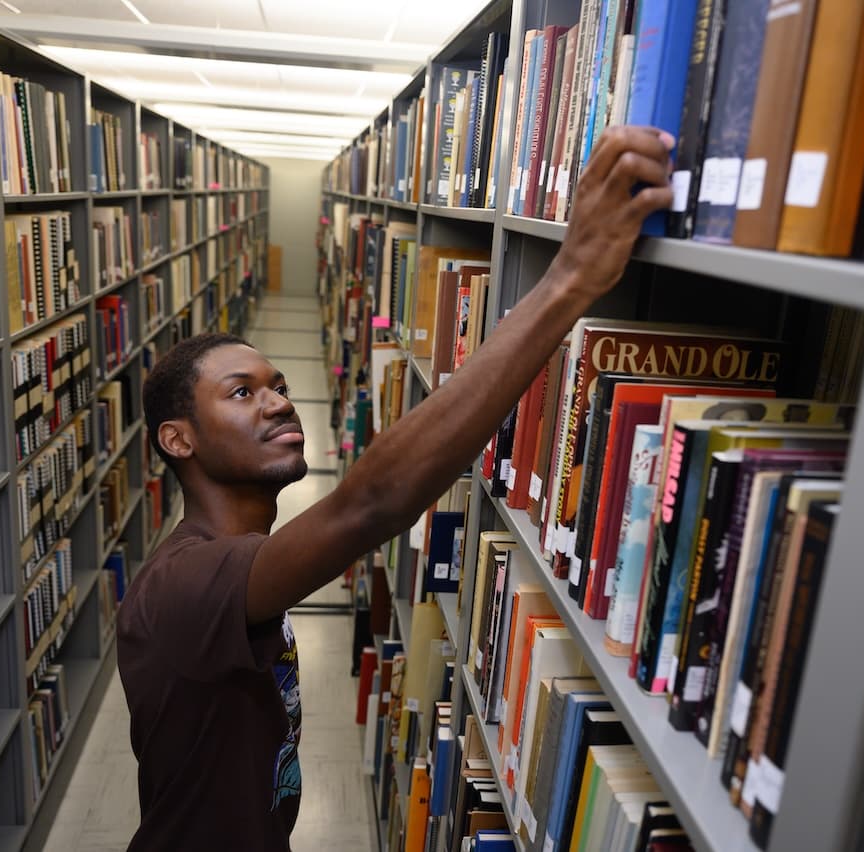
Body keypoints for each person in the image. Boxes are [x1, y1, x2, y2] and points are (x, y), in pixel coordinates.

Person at [117, 125, 676, 851]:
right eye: (242, 392)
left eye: (280, 387)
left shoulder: (235, 560)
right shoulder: (185, 584)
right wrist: (570, 277)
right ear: (178, 439)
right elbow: (370, 505)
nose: (279, 402)